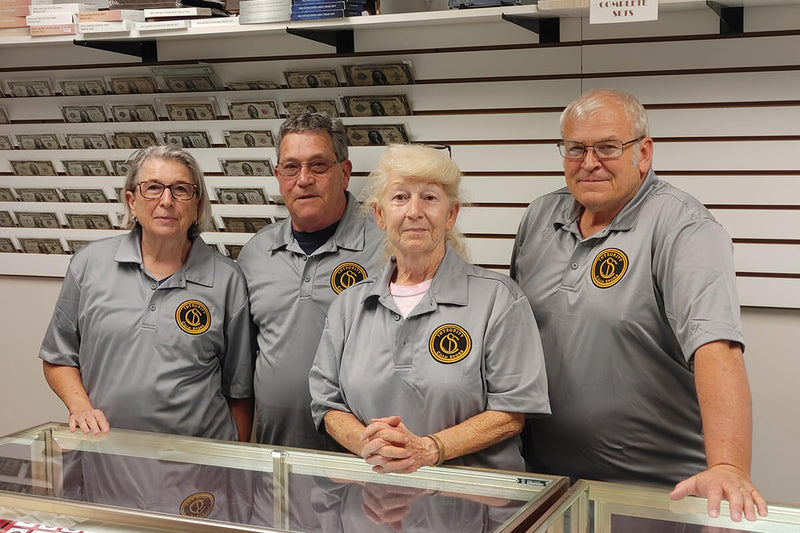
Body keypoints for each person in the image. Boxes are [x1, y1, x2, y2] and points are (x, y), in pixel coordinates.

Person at [510, 89, 767, 521]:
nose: (589, 162)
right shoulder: (539, 217)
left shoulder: (683, 227)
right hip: (547, 483)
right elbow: (511, 337)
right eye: (575, 148)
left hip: (655, 494)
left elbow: (716, 347)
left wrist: (728, 466)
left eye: (608, 147)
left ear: (643, 153)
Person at [309, 143, 549, 472]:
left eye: (430, 197)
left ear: (451, 214)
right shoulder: (349, 305)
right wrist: (373, 447)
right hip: (376, 495)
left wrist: (428, 449)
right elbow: (327, 404)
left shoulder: (499, 300)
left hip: (472, 498)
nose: (414, 211)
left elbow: (510, 414)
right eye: (400, 197)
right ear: (380, 215)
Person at [39, 145, 254, 441]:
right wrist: (81, 407)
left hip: (197, 459)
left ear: (197, 205)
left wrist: (234, 461)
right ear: (132, 201)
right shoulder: (89, 264)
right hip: (106, 452)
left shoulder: (227, 279)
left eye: (181, 190)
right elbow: (58, 357)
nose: (166, 201)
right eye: (153, 188)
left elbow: (239, 392)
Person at [237, 112, 384, 450]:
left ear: (344, 173)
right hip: (277, 452)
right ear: (278, 176)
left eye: (318, 165)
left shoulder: (387, 249)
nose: (303, 179)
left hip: (363, 455)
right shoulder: (256, 253)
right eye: (291, 167)